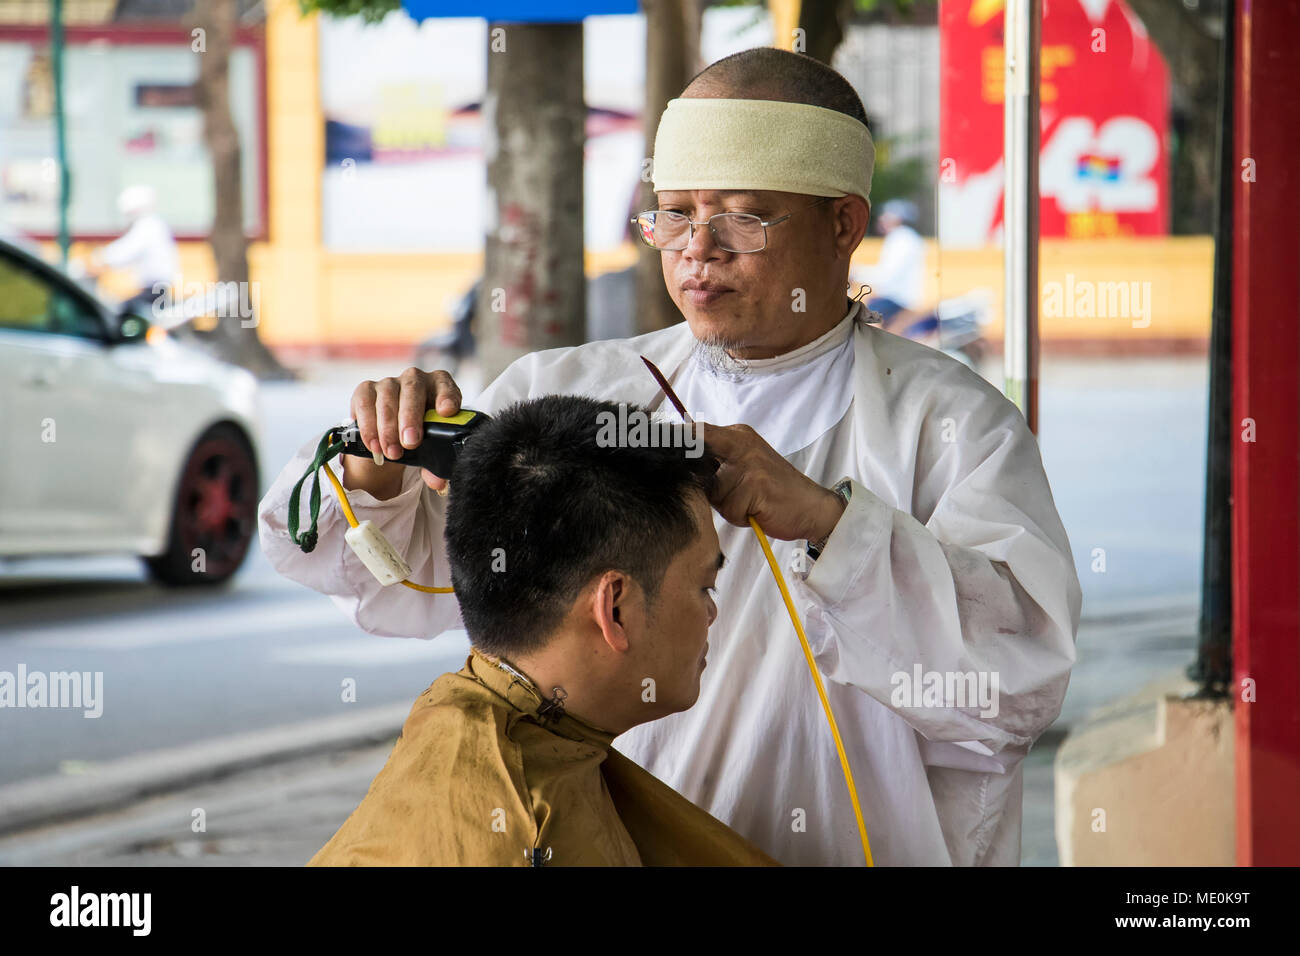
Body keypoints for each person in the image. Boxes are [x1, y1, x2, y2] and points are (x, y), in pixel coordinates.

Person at [260, 47, 1081, 866]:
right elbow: (391, 579)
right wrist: (378, 470)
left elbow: (1016, 684)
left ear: (844, 224)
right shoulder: (574, 392)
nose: (698, 250)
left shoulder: (949, 425)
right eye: (675, 215)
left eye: (742, 217)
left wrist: (834, 525)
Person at [306, 396, 775, 866]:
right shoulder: (529, 833)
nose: (712, 614)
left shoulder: (474, 720)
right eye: (704, 588)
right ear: (614, 608)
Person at [90, 184, 179, 321]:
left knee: (121, 314)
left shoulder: (147, 226)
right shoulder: (154, 224)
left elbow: (126, 251)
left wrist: (101, 257)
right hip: (157, 289)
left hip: (154, 290)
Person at [851, 198, 929, 335]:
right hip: (901, 297)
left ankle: (873, 353)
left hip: (900, 298)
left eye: (886, 215)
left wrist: (856, 273)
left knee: (863, 315)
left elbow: (886, 276)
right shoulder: (906, 238)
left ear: (897, 219)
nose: (882, 219)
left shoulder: (900, 239)